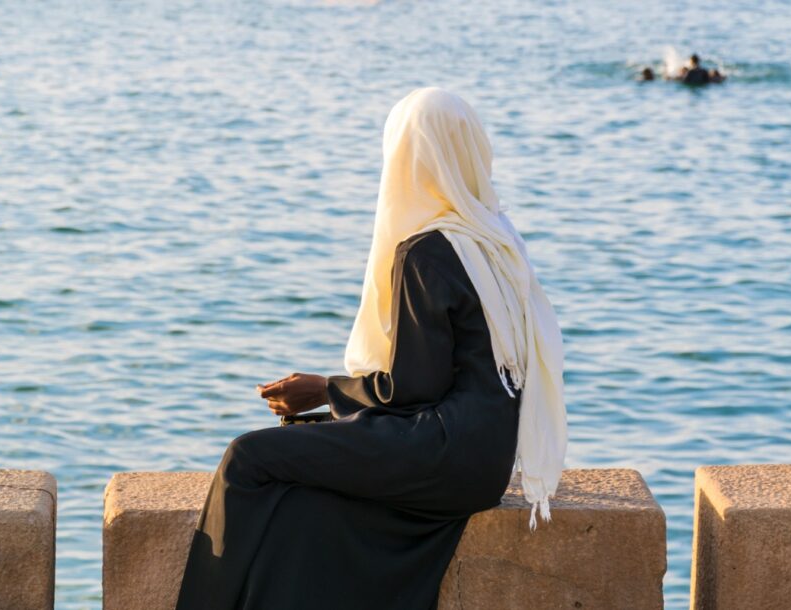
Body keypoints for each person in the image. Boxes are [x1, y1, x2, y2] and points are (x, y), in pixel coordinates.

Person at [174, 87, 567, 610]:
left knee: (248, 458)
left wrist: (322, 390)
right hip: (487, 461)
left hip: (444, 454)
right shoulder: (494, 238)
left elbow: (412, 389)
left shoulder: (428, 249)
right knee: (304, 489)